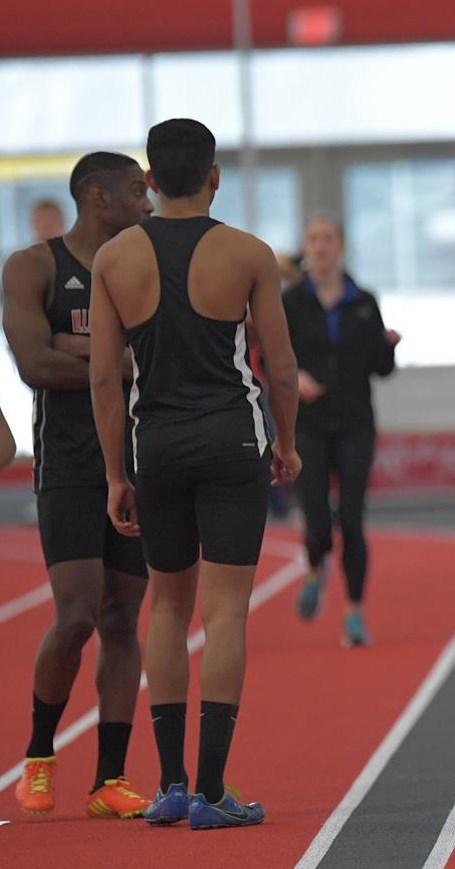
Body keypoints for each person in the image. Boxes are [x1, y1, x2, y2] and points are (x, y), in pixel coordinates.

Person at [88, 118, 301, 830]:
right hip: (230, 441)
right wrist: (287, 443)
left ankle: (172, 784)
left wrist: (117, 473)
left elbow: (103, 382)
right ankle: (212, 790)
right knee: (225, 611)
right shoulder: (247, 252)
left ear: (148, 183)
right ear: (214, 177)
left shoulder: (115, 258)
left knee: (168, 610)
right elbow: (280, 362)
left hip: (158, 448)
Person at [3, 152, 154, 819]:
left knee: (124, 618)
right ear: (99, 197)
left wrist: (77, 347)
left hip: (139, 460)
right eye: (136, 193)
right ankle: (38, 755)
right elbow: (33, 363)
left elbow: (157, 361)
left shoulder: (142, 268)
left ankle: (110, 778)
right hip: (68, 462)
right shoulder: (33, 266)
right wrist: (111, 360)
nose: (147, 205)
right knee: (78, 614)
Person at [283, 216, 399, 647]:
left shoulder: (363, 301)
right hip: (308, 426)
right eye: (313, 239)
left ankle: (354, 613)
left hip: (354, 423)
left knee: (352, 521)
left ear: (341, 246)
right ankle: (315, 567)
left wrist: (387, 346)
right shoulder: (291, 301)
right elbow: (269, 359)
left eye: (327, 239)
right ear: (305, 247)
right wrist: (295, 377)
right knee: (316, 524)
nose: (320, 247)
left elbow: (382, 370)